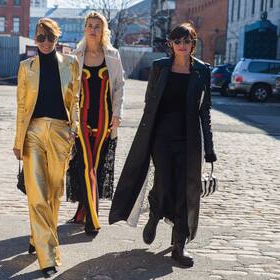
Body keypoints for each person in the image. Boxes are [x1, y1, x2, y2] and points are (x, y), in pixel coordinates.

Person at [108, 22, 217, 267]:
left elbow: (205, 110)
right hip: (161, 137)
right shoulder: (158, 68)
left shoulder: (202, 71)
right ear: (170, 44)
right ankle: (156, 211)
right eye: (177, 41)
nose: (182, 45)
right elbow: (150, 105)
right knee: (164, 182)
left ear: (193, 44)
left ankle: (179, 244)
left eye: (186, 41)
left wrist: (209, 148)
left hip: (189, 139)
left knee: (184, 191)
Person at [13, 18, 79, 278]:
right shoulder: (25, 66)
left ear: (57, 39)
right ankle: (48, 257)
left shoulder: (71, 64)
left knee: (54, 193)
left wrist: (73, 132)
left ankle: (36, 236)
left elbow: (75, 100)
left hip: (61, 132)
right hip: (33, 133)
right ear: (34, 39)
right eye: (40, 38)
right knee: (37, 194)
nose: (44, 42)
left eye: (49, 38)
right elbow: (20, 106)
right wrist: (18, 141)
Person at [66, 11, 125, 235]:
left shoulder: (112, 55)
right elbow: (70, 90)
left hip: (104, 118)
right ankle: (92, 218)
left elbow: (119, 86)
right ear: (84, 29)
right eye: (89, 25)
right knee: (84, 164)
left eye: (97, 26)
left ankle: (85, 211)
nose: (93, 29)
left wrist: (117, 114)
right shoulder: (75, 56)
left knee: (96, 165)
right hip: (80, 118)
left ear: (104, 31)